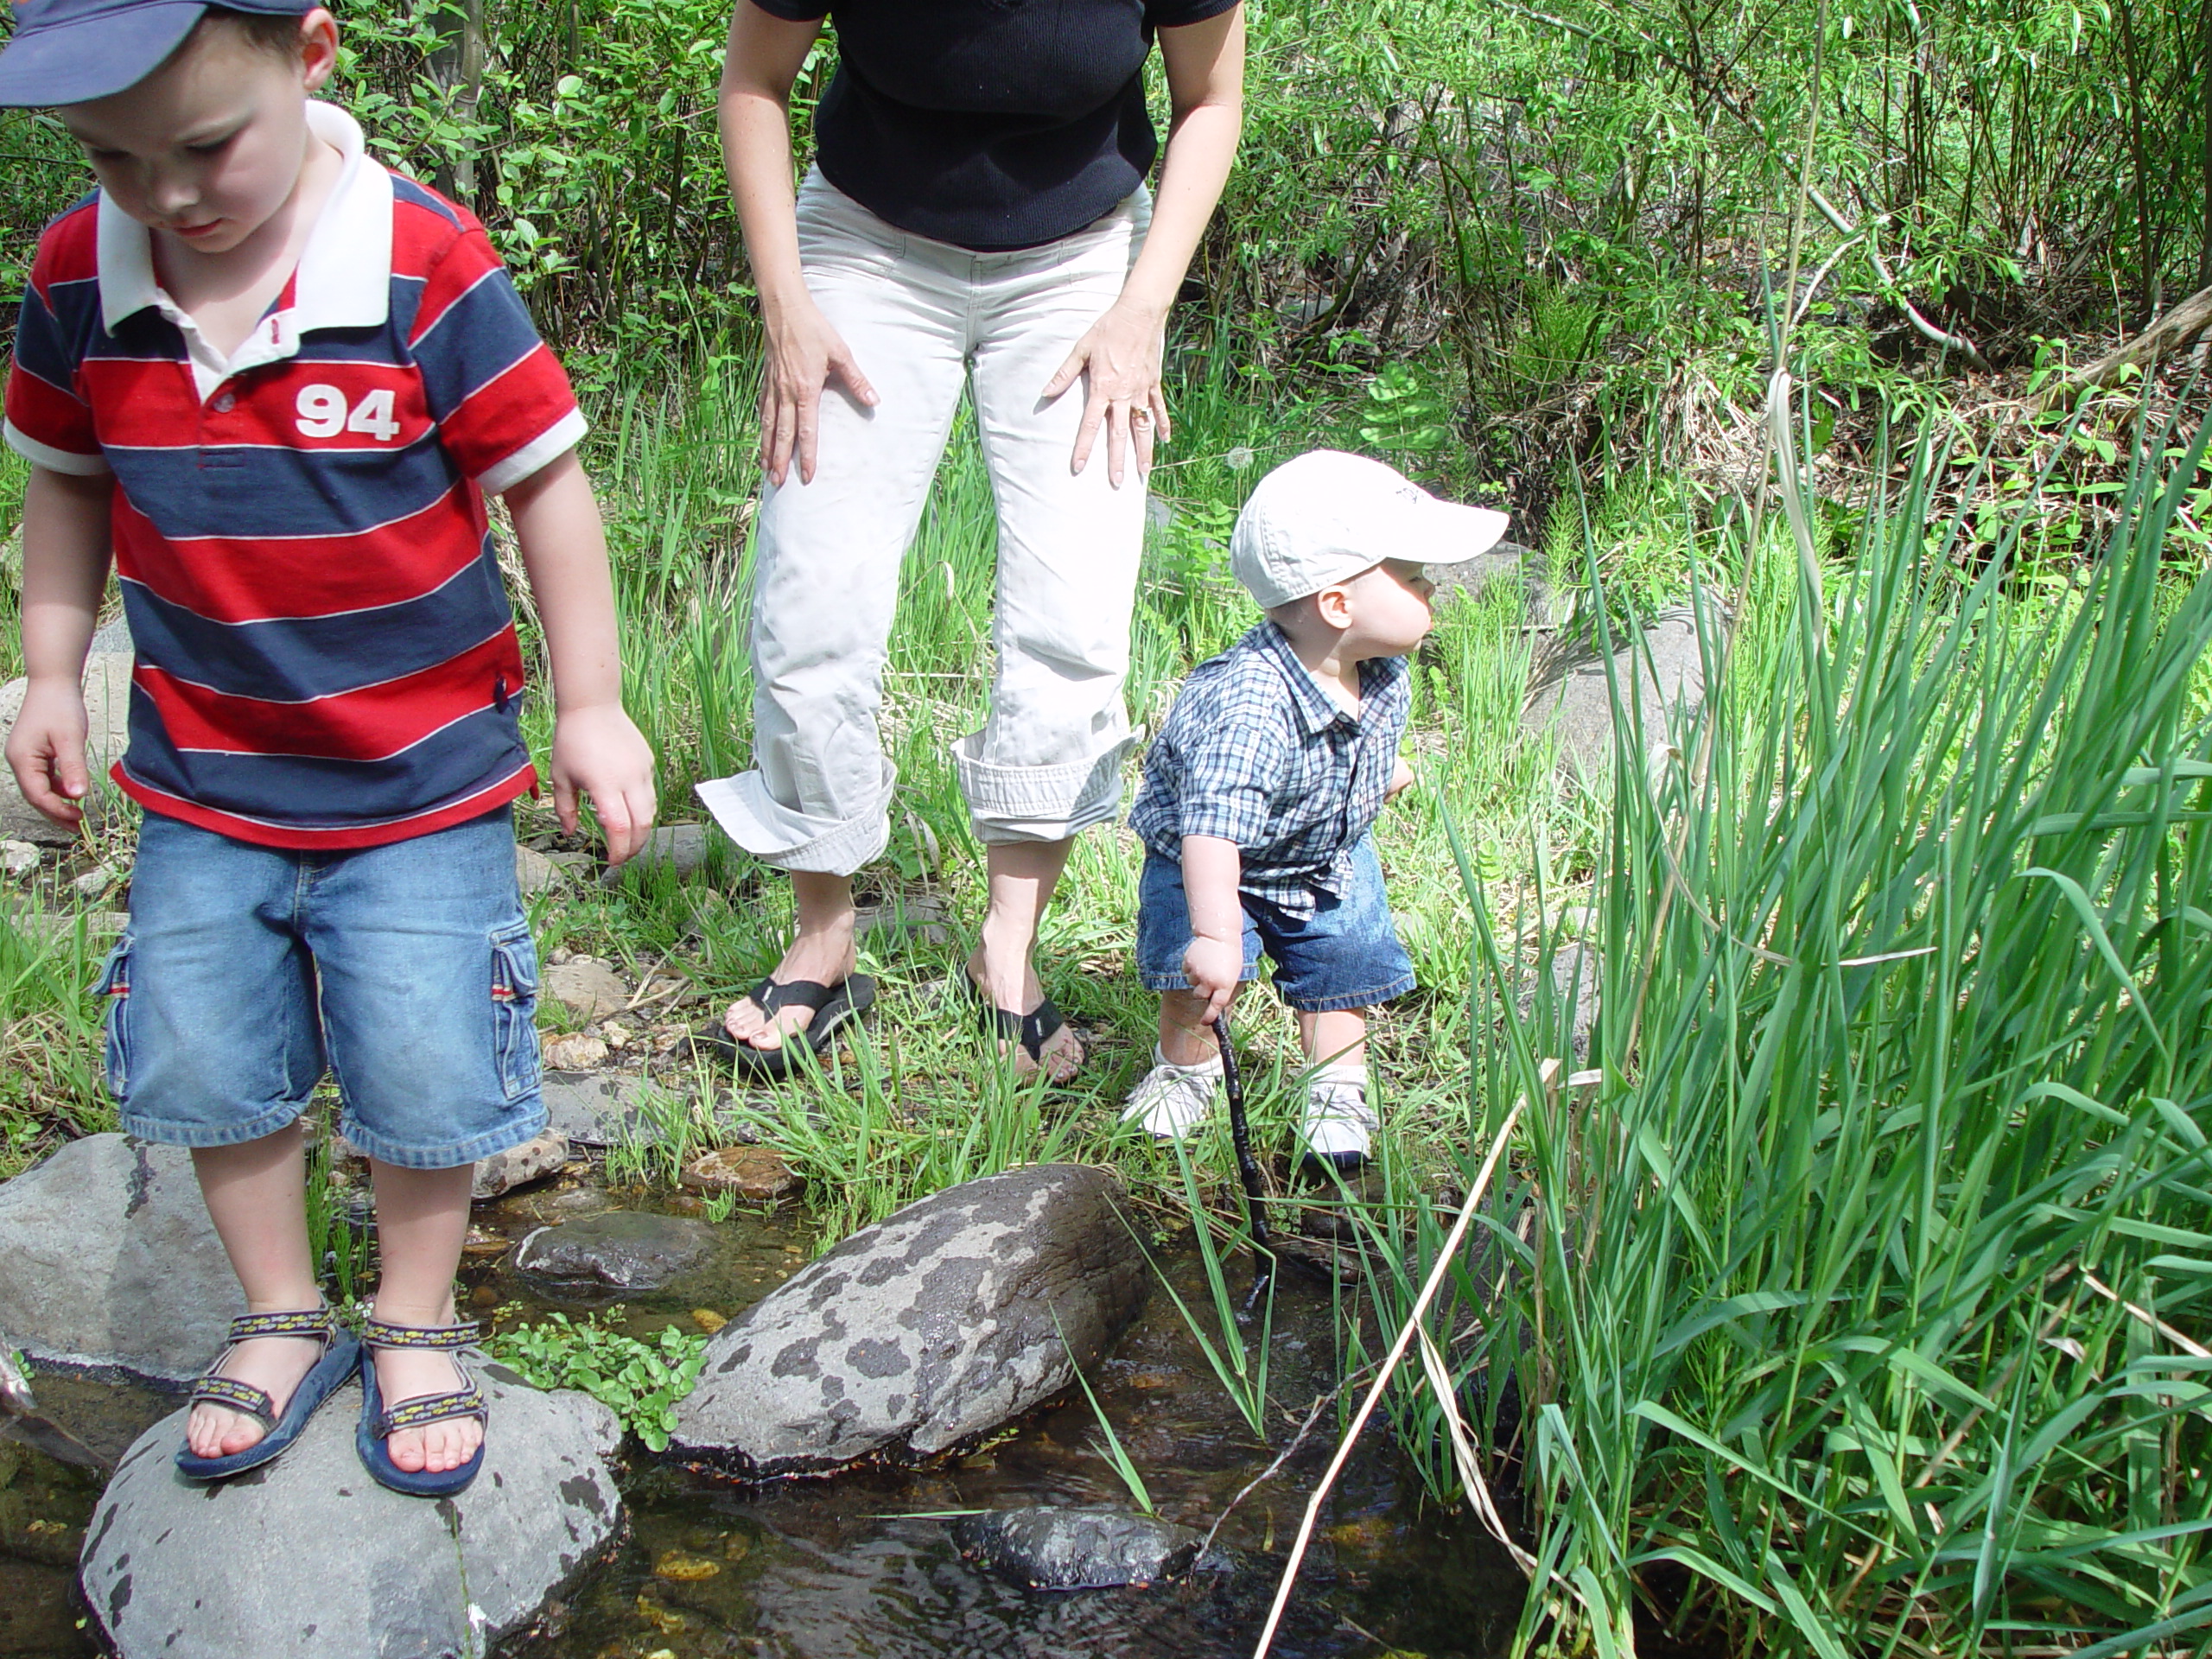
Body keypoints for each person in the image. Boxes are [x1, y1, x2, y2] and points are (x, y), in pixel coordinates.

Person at [0, 0, 657, 1495]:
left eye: (206, 147)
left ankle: (415, 1322)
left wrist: (590, 703)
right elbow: (63, 484)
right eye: (112, 157)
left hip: (420, 776)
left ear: (311, 52)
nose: (165, 196)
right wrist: (50, 671)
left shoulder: (422, 261)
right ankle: (281, 1311)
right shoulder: (74, 278)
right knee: (208, 1052)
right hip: (202, 775)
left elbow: (546, 482)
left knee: (426, 1057)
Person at [698, 0, 1244, 1082]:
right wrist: (786, 303)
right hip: (864, 248)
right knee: (814, 601)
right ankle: (823, 934)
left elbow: (1212, 101)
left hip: (1081, 265)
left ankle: (1007, 947)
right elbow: (751, 83)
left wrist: (1143, 309)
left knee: (1070, 613)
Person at [1121, 450, 1508, 1170]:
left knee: (1341, 974)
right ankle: (1187, 1068)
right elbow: (1210, 826)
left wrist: (1376, 773)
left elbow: (1352, 737)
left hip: (1325, 854)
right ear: (1338, 605)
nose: (1433, 590)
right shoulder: (1249, 706)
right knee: (1196, 982)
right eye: (1416, 576)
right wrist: (1214, 932)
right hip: (1209, 862)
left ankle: (1335, 1087)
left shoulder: (1381, 669)